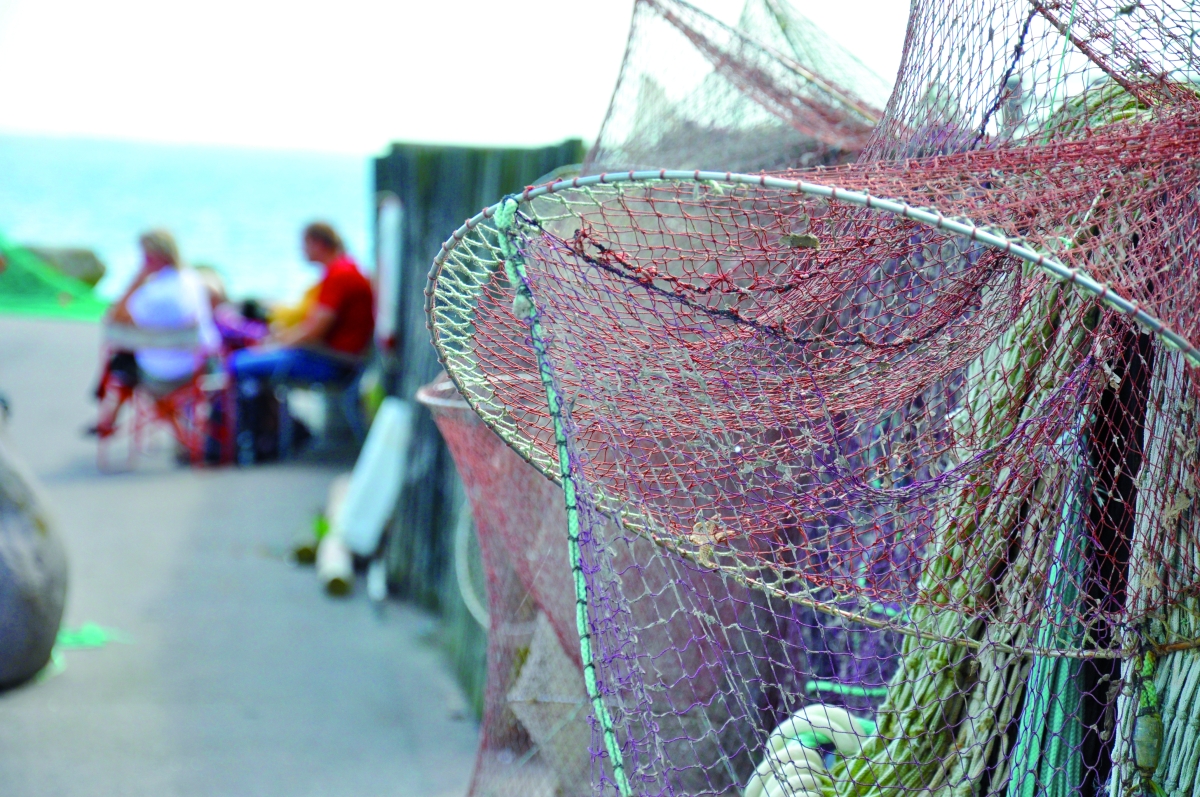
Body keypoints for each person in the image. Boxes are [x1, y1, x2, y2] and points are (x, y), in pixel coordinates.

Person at [228, 222, 373, 462]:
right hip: (336, 357)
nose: (302, 251)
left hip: (334, 362)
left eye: (304, 245)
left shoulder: (339, 274)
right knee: (249, 361)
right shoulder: (345, 269)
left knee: (237, 363)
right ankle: (270, 433)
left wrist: (275, 343)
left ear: (318, 243)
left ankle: (253, 443)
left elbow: (313, 332)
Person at [90, 230, 219, 437]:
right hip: (198, 370)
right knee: (130, 362)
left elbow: (115, 318)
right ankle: (185, 438)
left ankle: (181, 437)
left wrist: (136, 280)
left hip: (159, 375)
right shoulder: (192, 281)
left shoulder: (150, 295)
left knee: (124, 365)